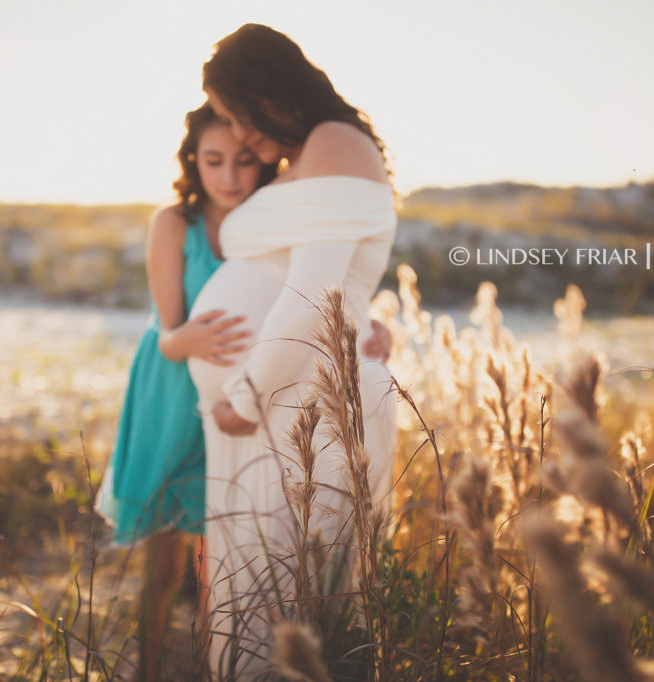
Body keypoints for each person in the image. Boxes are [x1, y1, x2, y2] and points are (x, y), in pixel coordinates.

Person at [186, 23, 398, 679]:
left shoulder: (334, 142)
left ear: (271, 88)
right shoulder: (314, 153)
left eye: (239, 113)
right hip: (283, 397)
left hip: (296, 401)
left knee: (293, 607)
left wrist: (246, 395)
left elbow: (317, 288)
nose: (240, 134)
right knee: (265, 598)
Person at [95, 102, 272, 682]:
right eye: (213, 160)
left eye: (244, 160)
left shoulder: (273, 221)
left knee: (217, 555)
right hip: (171, 391)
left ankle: (209, 668)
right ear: (192, 161)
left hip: (240, 399)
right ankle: (146, 669)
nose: (229, 176)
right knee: (165, 558)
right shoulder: (173, 223)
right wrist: (190, 337)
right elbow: (168, 336)